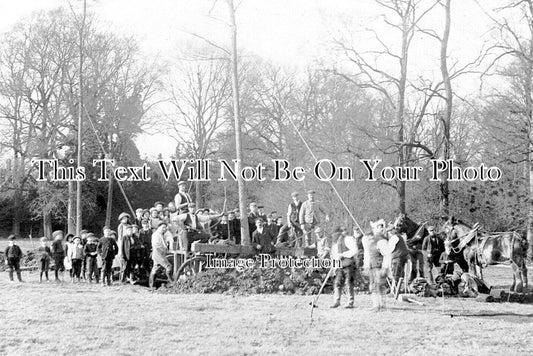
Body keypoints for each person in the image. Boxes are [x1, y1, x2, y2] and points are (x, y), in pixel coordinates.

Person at [363, 219, 388, 312]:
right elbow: (368, 254)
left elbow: (386, 255)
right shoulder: (372, 241)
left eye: (381, 227)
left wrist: (384, 268)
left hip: (379, 266)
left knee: (378, 286)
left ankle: (381, 305)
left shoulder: (382, 241)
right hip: (373, 266)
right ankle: (376, 304)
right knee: (373, 286)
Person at [330, 227, 358, 308]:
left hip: (349, 264)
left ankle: (350, 301)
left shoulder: (348, 239)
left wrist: (343, 254)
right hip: (339, 265)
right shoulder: (335, 244)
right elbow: (335, 256)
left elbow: (354, 251)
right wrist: (334, 267)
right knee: (337, 282)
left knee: (348, 283)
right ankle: (336, 301)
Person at [149, 222, 173, 289]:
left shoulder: (161, 234)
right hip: (158, 253)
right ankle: (172, 282)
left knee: (155, 268)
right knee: (169, 266)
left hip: (158, 253)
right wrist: (163, 252)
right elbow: (156, 246)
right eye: (163, 227)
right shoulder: (156, 235)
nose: (164, 229)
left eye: (165, 228)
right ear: (158, 227)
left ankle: (152, 286)